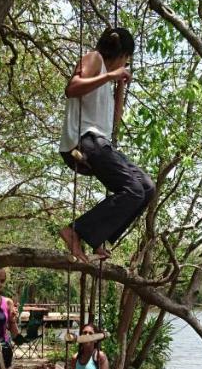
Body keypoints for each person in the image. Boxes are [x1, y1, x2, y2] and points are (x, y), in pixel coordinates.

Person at [57, 27, 154, 263]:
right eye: (126, 59)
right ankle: (75, 232)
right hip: (83, 141)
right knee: (133, 189)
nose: (124, 64)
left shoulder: (106, 82)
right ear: (121, 55)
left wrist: (119, 85)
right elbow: (71, 88)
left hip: (101, 142)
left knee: (146, 188)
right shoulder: (94, 59)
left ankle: (97, 235)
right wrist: (111, 76)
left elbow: (114, 123)